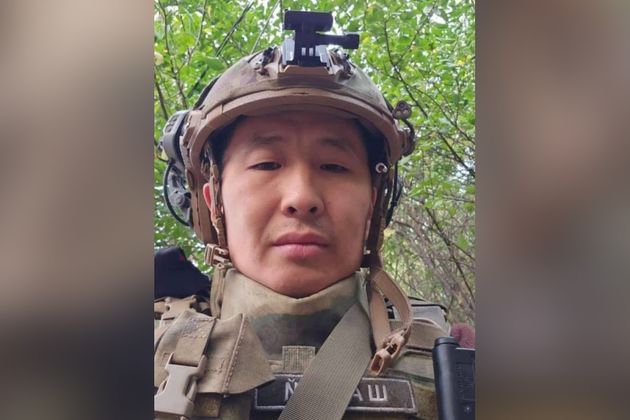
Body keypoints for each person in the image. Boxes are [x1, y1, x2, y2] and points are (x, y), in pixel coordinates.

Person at [155, 10, 471, 420]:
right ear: (214, 202)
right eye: (266, 164)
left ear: (373, 203)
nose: (302, 198)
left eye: (334, 166)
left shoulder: (458, 358)